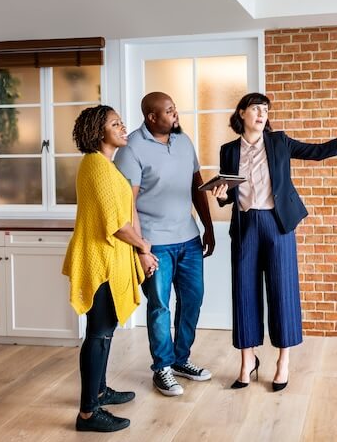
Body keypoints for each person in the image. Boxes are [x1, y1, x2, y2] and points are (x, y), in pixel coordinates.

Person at [211, 92, 337, 391]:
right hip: (245, 227)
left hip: (278, 226)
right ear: (241, 114)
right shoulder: (228, 151)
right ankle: (247, 361)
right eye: (255, 108)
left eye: (265, 109)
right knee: (244, 292)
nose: (262, 114)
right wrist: (221, 195)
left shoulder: (279, 143)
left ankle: (283, 362)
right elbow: (227, 197)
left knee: (282, 292)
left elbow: (318, 151)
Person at [61, 105, 159, 432]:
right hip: (99, 262)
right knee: (99, 333)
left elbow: (125, 215)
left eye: (121, 122)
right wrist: (144, 247)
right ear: (98, 132)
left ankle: (100, 391)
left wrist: (140, 250)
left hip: (111, 260)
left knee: (104, 331)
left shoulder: (108, 166)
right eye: (115, 123)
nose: (123, 127)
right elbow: (115, 224)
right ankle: (88, 413)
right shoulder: (95, 166)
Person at [114, 92, 216, 396]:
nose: (176, 116)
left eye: (175, 110)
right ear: (152, 117)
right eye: (170, 112)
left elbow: (197, 185)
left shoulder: (183, 141)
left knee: (193, 300)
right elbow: (127, 204)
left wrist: (208, 227)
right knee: (159, 305)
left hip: (188, 238)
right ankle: (162, 367)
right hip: (155, 243)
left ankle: (181, 360)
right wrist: (141, 248)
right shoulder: (131, 148)